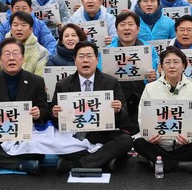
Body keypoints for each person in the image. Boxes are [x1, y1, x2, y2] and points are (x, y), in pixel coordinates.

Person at [0, 37, 50, 174]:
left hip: (26, 133)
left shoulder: (36, 81)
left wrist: (39, 113)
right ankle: (20, 165)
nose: (11, 58)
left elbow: (45, 110)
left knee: (40, 149)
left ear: (23, 58)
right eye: (7, 54)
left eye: (16, 54)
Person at [51, 41, 134, 172]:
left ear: (96, 59)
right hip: (74, 134)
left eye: (89, 56)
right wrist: (56, 115)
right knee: (53, 142)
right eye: (81, 56)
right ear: (75, 60)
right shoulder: (63, 85)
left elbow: (124, 118)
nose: (85, 60)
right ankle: (106, 161)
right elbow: (56, 122)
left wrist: (118, 110)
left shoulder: (110, 82)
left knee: (126, 140)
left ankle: (77, 164)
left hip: (102, 134)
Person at [134, 46, 192, 173]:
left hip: (182, 144)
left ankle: (158, 162)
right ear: (161, 67)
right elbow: (143, 117)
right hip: (157, 143)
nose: (172, 66)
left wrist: (189, 138)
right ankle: (178, 164)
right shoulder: (150, 88)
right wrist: (149, 136)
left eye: (176, 62)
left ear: (184, 66)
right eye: (167, 62)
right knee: (139, 143)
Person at [0, 12, 49, 77]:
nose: (19, 29)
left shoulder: (42, 52)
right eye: (15, 25)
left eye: (23, 25)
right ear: (10, 28)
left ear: (31, 29)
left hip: (30, 87)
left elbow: (39, 78)